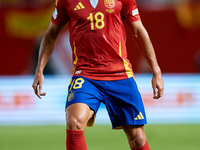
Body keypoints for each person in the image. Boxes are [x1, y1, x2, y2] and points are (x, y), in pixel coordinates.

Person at [32, 0, 164, 149]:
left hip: (120, 74)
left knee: (137, 139)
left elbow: (138, 31)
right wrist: (39, 69)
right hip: (85, 74)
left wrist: (156, 72)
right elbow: (51, 34)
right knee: (74, 122)